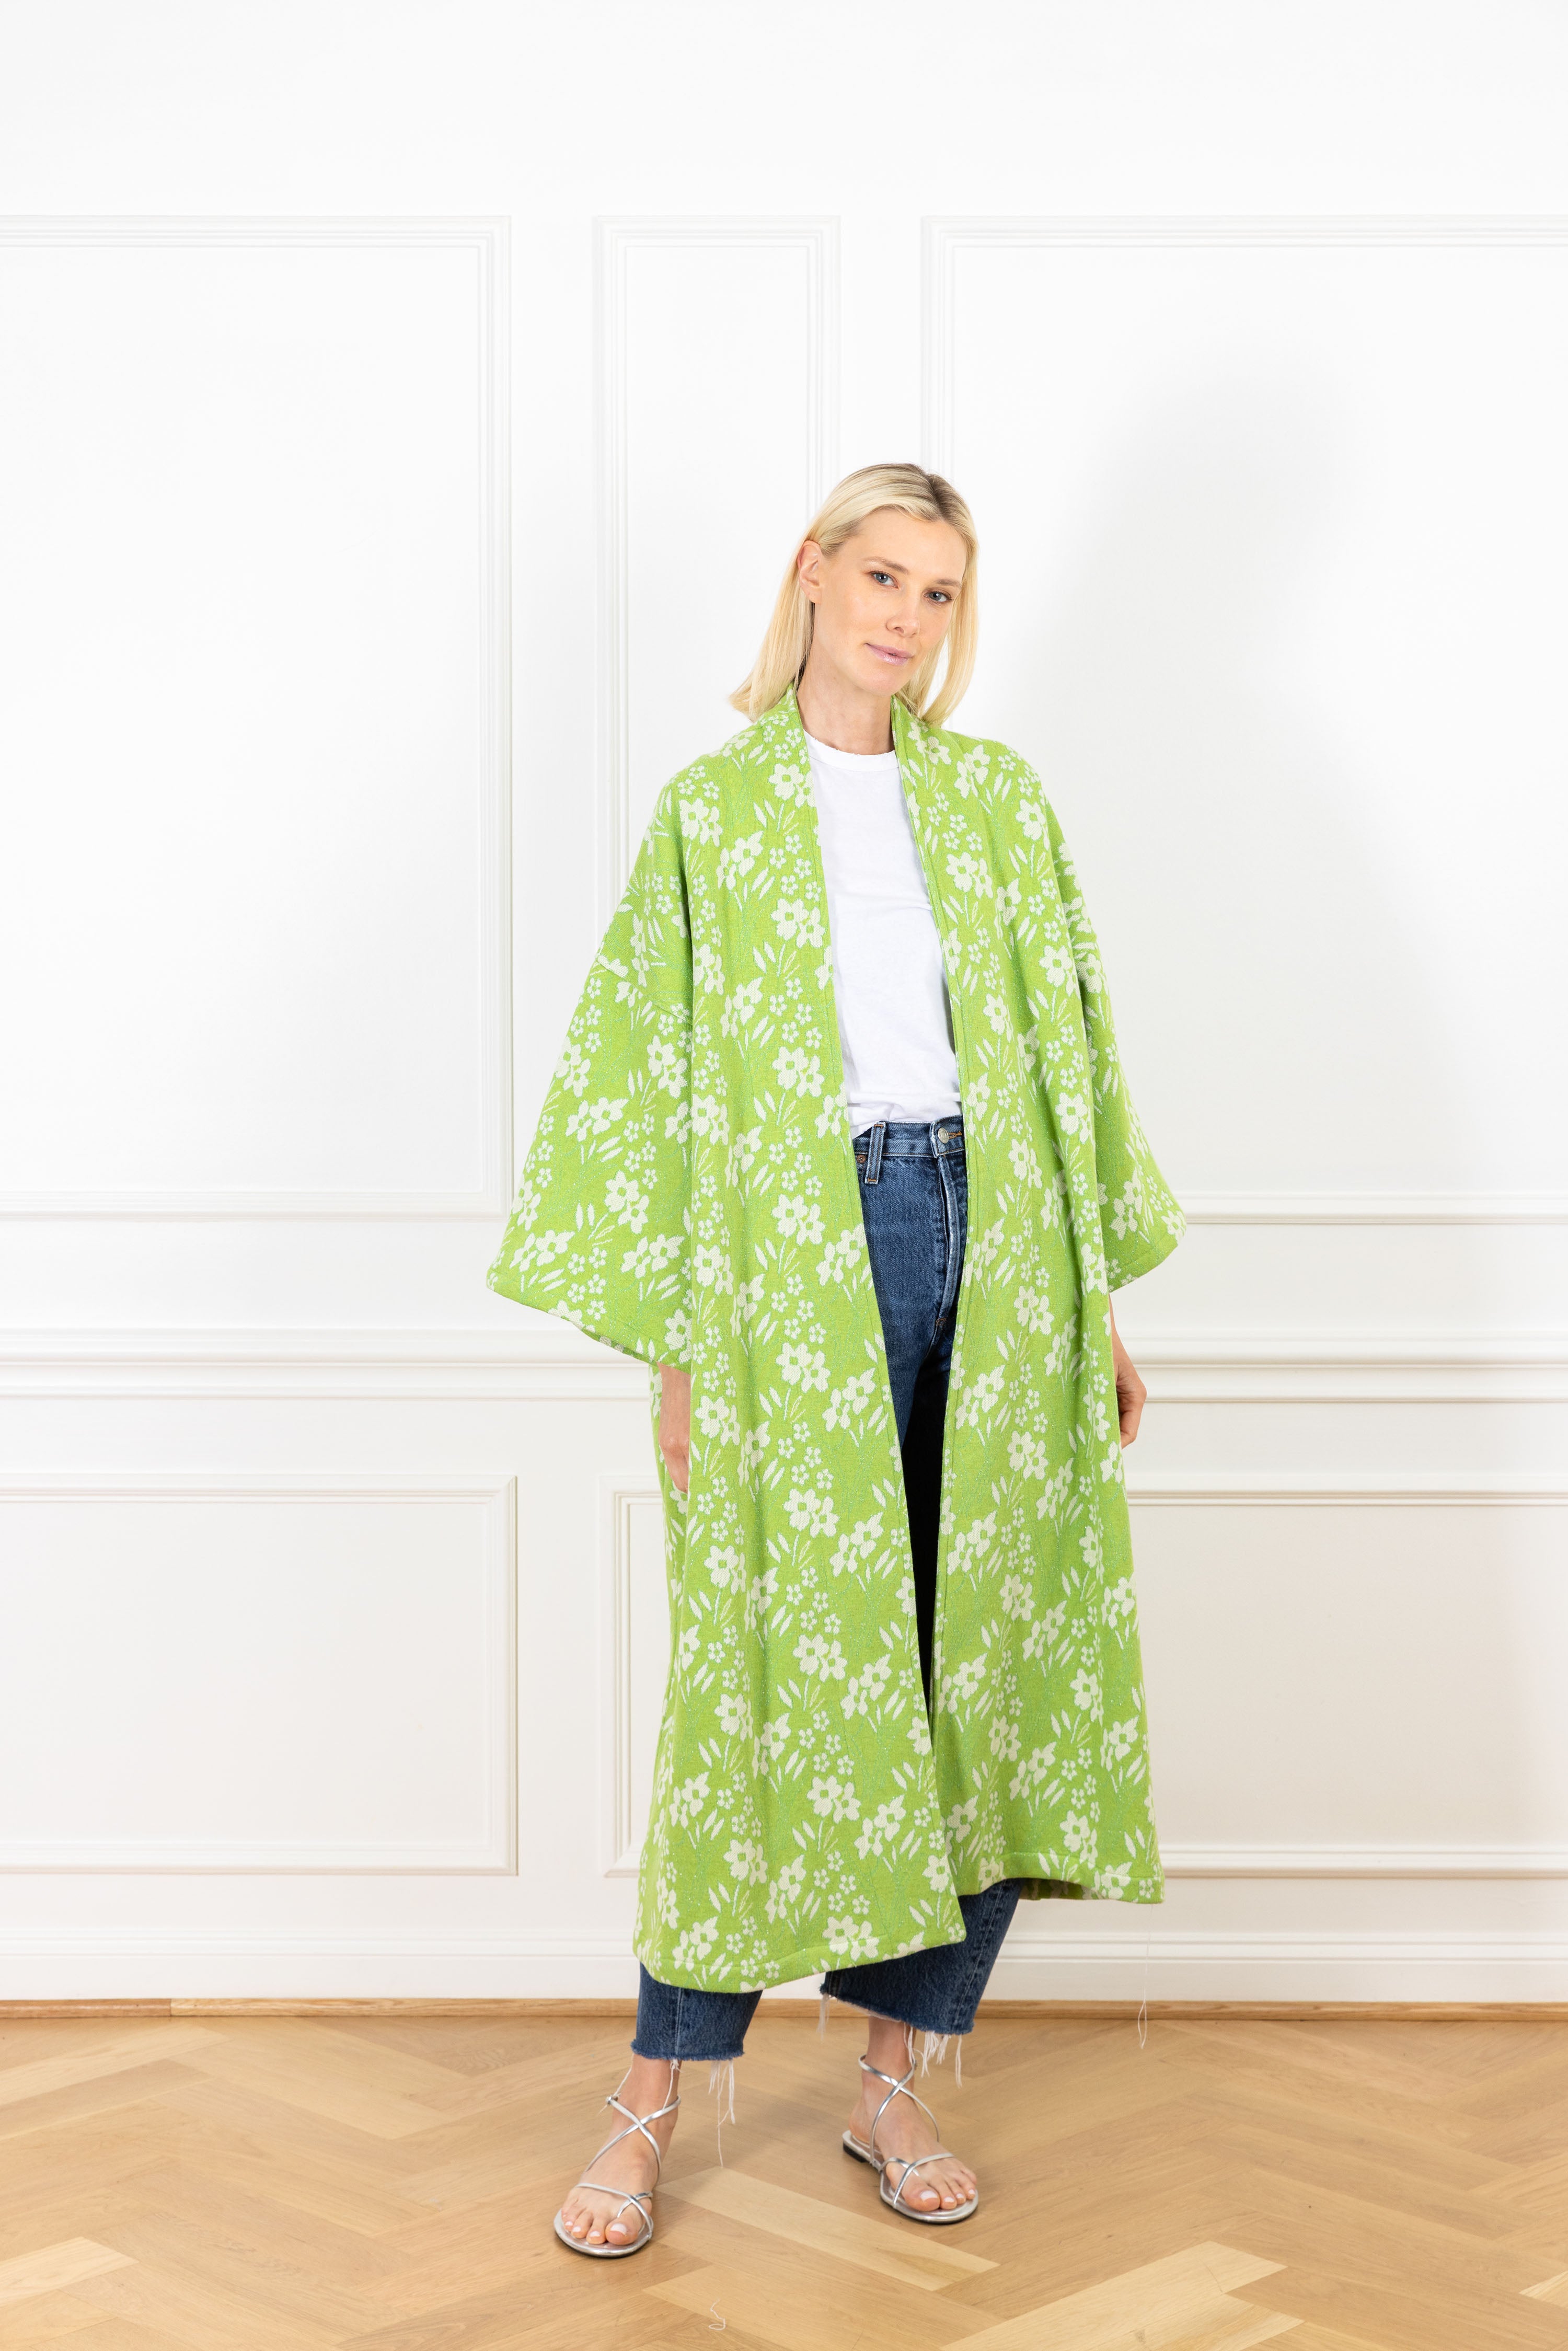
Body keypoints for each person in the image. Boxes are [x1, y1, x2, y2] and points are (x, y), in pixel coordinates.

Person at [487, 463, 1184, 2254]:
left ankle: (894, 2078)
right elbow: (644, 1076)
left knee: (978, 1660)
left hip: (998, 1241)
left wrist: (1094, 1307)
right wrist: (677, 1343)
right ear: (813, 573)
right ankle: (651, 2099)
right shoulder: (715, 815)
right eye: (882, 577)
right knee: (757, 1676)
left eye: (939, 593)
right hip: (798, 1254)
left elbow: (1066, 1052)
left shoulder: (997, 803)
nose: (906, 618)